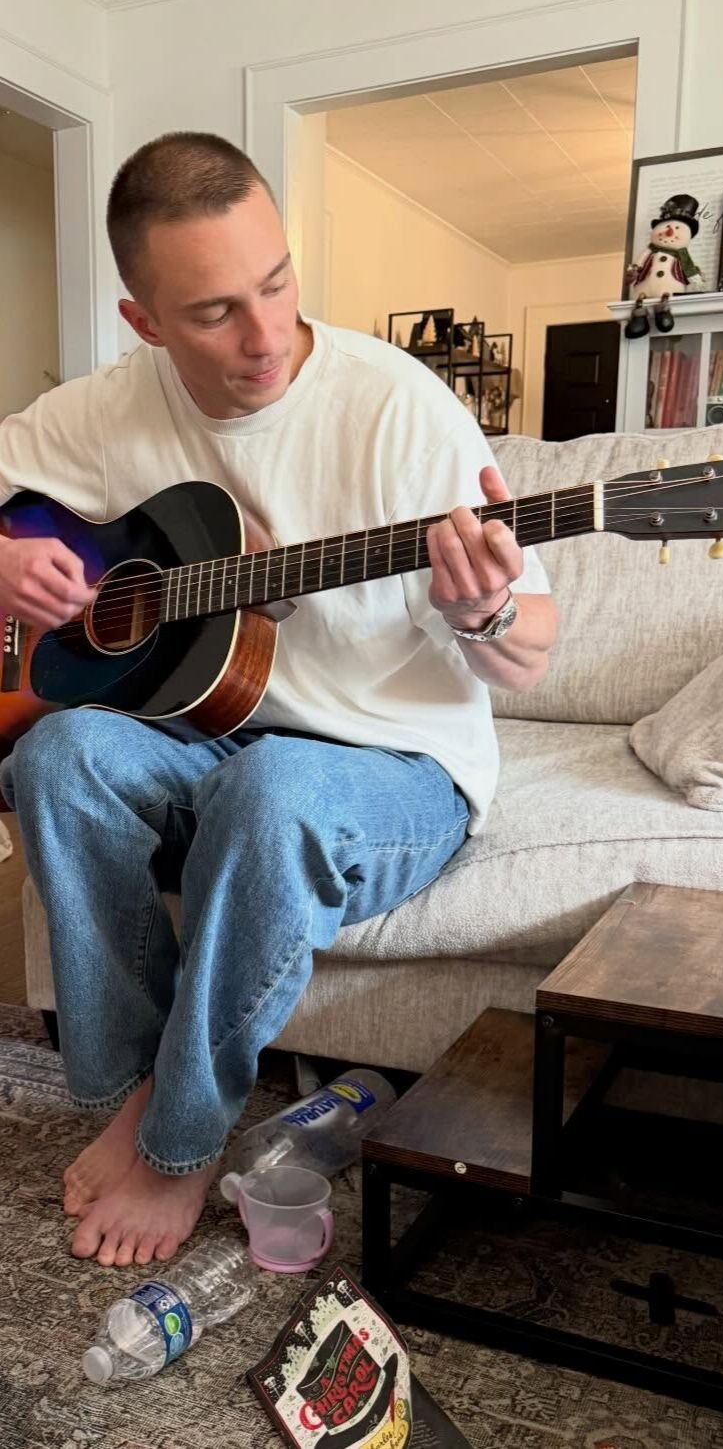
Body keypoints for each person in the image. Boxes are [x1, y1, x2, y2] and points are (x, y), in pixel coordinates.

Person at [0, 133, 557, 1269]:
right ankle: (128, 1086)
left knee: (275, 786)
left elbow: (531, 655)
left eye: (277, 283)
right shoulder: (105, 408)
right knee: (55, 755)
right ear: (143, 322)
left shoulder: (399, 407)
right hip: (213, 741)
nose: (263, 337)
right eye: (213, 312)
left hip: (395, 769)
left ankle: (177, 1142)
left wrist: (487, 613)